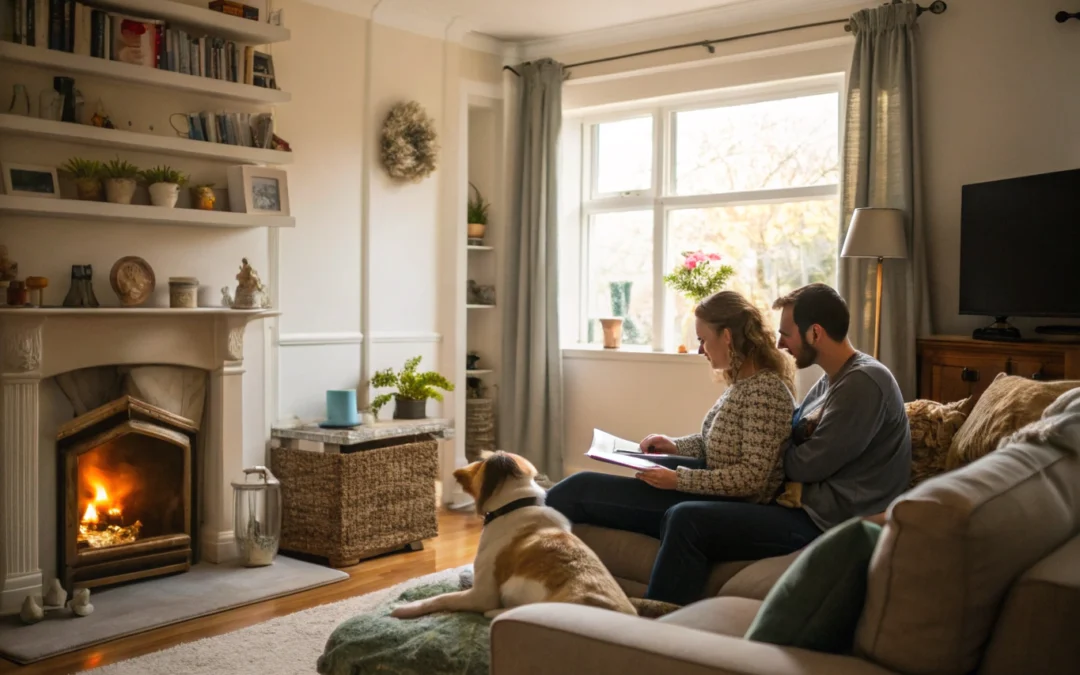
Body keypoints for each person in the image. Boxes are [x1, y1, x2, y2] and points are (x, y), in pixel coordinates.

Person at [546, 291, 811, 606]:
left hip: (731, 502)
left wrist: (678, 480)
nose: (700, 349)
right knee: (577, 487)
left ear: (726, 337)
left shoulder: (766, 391)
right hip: (707, 487)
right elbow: (714, 444)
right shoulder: (742, 385)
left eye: (703, 339)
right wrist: (673, 444)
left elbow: (752, 478)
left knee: (576, 491)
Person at [773, 283, 911, 532]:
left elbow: (807, 465)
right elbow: (792, 429)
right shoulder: (832, 377)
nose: (780, 344)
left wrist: (765, 453)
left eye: (785, 334)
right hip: (812, 507)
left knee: (691, 519)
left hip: (833, 519)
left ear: (815, 333)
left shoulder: (864, 382)